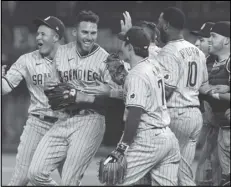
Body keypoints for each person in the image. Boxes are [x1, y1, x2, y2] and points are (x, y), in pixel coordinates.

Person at [28, 10, 120, 186]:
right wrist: (49, 89)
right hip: (63, 119)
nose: (89, 37)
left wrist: (87, 96)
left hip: (90, 120)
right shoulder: (61, 53)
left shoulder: (106, 59)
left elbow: (117, 98)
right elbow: (55, 93)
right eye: (85, 32)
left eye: (93, 33)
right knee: (35, 173)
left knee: (69, 180)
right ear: (75, 32)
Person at [155, 7, 226, 185]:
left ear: (166, 26)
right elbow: (204, 86)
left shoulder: (168, 51)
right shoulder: (197, 52)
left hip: (175, 114)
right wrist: (219, 90)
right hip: (194, 116)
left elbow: (167, 89)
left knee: (162, 170)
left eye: (159, 22)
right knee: (185, 174)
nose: (157, 26)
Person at [105, 26, 181, 185]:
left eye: (124, 44)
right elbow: (150, 48)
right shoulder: (153, 64)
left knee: (114, 180)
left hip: (148, 140)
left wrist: (122, 147)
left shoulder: (136, 74)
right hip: (168, 138)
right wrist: (129, 33)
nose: (121, 47)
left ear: (129, 47)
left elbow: (135, 114)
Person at [2, 16, 66, 186]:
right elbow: (5, 87)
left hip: (65, 125)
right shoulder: (27, 60)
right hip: (37, 124)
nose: (38, 37)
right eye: (37, 34)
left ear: (56, 37)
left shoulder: (73, 60)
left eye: (43, 34)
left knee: (71, 179)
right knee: (20, 179)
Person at [191, 22, 222, 186]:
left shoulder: (217, 64)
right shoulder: (204, 62)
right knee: (203, 177)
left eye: (202, 39)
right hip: (211, 128)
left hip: (221, 129)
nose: (197, 43)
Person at [207, 21, 230, 186]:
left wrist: (211, 92)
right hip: (222, 127)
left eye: (214, 36)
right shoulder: (211, 62)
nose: (209, 39)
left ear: (227, 41)